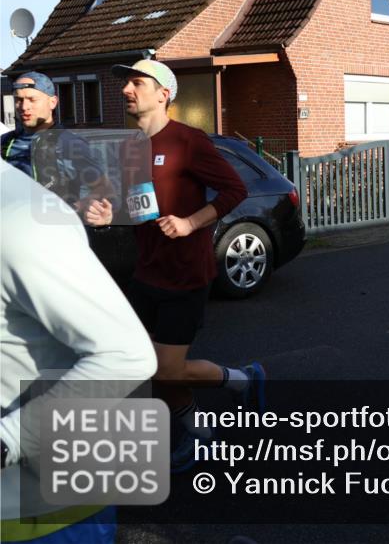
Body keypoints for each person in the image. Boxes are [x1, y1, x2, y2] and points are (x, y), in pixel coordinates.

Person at [112, 59, 262, 473]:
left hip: (184, 276)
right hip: (145, 273)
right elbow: (136, 205)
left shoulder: (188, 140)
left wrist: (190, 222)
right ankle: (206, 425)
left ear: (164, 94)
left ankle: (240, 381)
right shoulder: (129, 147)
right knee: (145, 367)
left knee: (166, 370)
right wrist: (107, 210)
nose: (127, 88)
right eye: (126, 82)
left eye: (137, 82)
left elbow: (235, 190)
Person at [1, 159, 157, 543]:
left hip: (40, 508)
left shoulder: (20, 220)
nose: (23, 104)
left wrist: (8, 439)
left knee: (174, 369)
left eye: (31, 96)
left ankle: (236, 384)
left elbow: (128, 356)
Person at [2, 71, 114, 224]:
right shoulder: (5, 142)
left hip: (53, 236)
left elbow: (104, 188)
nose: (24, 106)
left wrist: (76, 208)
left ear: (53, 102)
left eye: (32, 99)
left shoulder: (69, 143)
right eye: (18, 100)